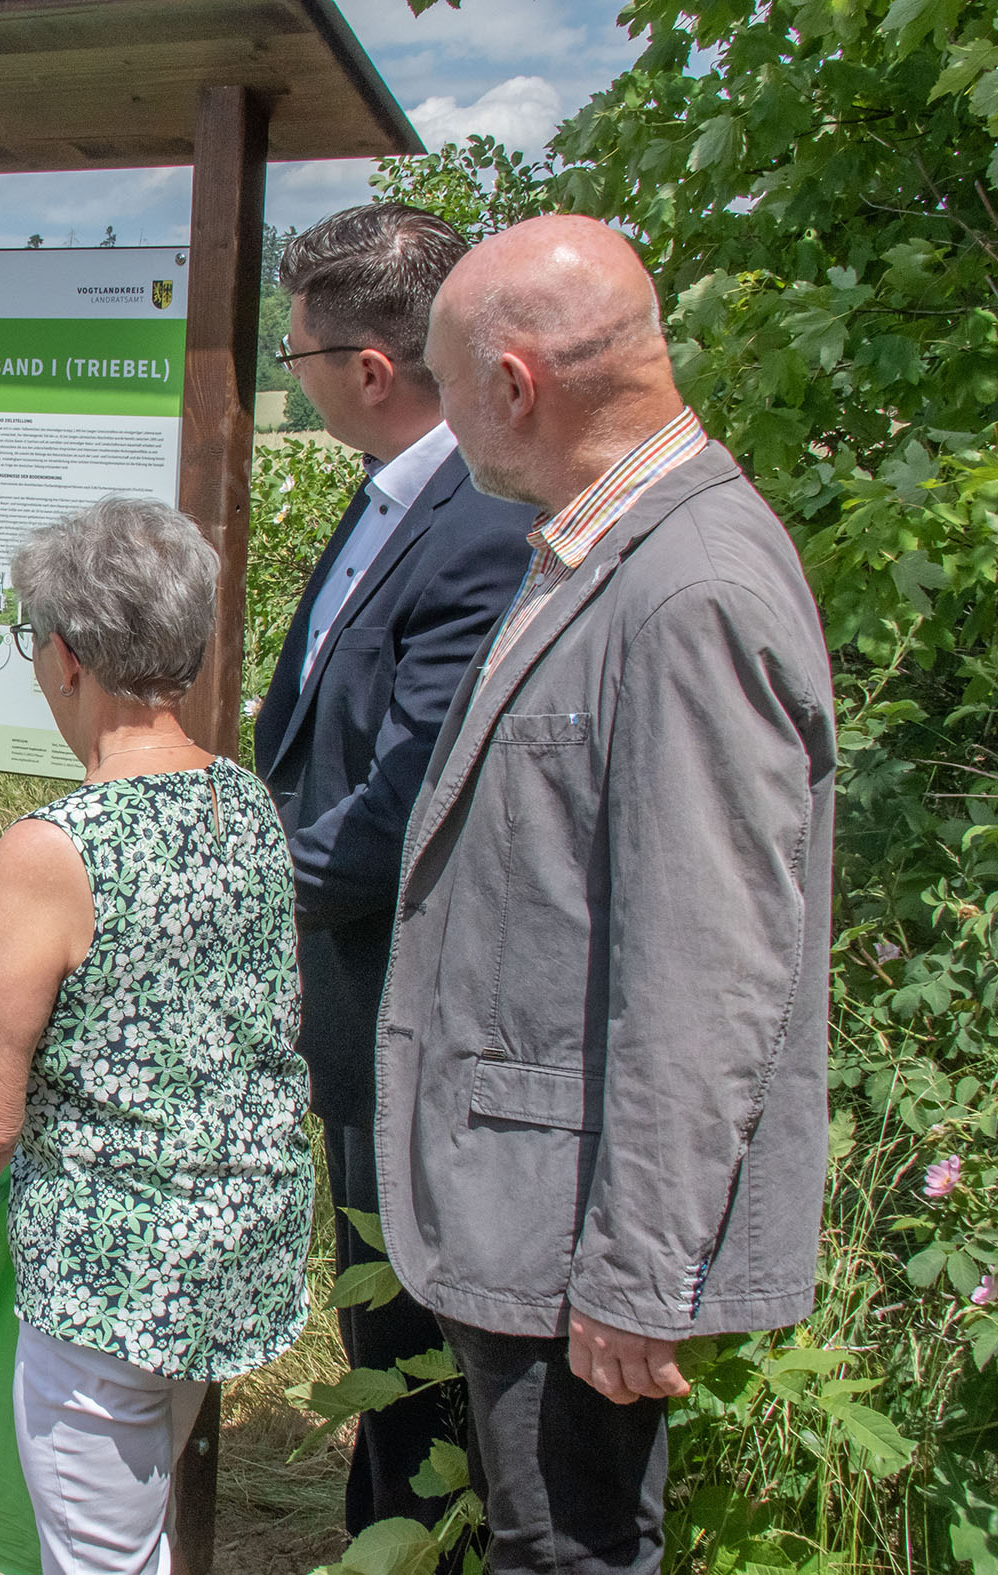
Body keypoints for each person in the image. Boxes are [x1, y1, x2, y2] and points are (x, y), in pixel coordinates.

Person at [380, 215, 836, 1574]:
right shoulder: (599, 544)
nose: (444, 426)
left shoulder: (686, 586)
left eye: (448, 387)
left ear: (512, 385)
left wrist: (639, 1274)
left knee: (569, 1549)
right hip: (532, 1198)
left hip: (570, 1222)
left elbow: (707, 969)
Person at [0, 498, 311, 1575]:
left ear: (63, 657)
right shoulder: (244, 804)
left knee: (98, 1559)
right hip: (228, 1252)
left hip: (110, 1279)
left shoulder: (54, 851)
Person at [253, 202, 534, 1539]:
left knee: (417, 1329)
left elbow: (404, 797)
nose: (290, 382)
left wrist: (248, 883)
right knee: (379, 1309)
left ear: (367, 367)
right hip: (355, 1001)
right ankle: (383, 1532)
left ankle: (418, 1541)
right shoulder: (394, 498)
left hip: (411, 999)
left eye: (296, 358)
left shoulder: (477, 522)